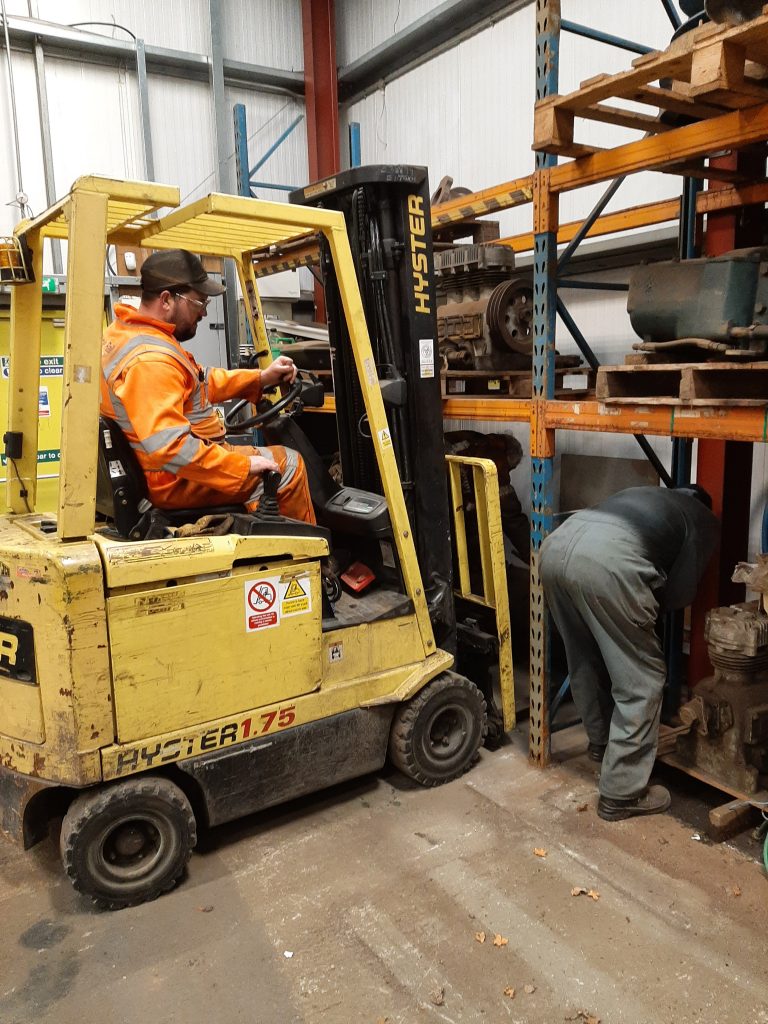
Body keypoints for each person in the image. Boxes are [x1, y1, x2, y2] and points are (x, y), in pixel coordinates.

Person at [540, 485, 719, 821]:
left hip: (554, 549)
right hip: (606, 565)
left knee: (584, 657)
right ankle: (622, 793)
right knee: (642, 679)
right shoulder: (701, 519)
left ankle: (602, 742)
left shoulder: (644, 494)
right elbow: (681, 592)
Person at [100, 249, 315, 524]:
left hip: (164, 469)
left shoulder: (129, 333)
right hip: (173, 479)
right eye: (199, 303)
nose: (202, 313)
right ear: (167, 300)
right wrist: (242, 465)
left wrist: (260, 379)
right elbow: (172, 448)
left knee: (266, 457)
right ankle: (308, 561)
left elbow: (200, 382)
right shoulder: (150, 360)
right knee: (289, 465)